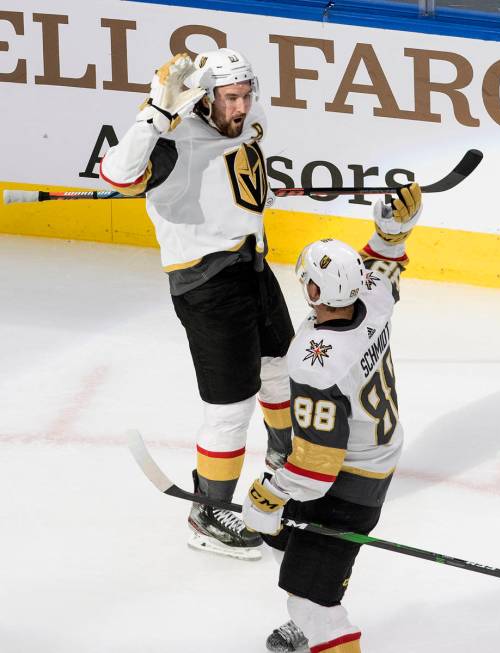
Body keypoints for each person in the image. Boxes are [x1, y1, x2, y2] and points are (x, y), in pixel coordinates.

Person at [100, 48, 294, 560]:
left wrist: (254, 196)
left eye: (248, 95)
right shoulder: (172, 141)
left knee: (282, 372)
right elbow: (118, 175)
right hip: (206, 286)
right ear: (204, 100)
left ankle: (284, 463)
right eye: (231, 98)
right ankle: (208, 512)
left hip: (252, 265)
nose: (243, 107)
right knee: (231, 409)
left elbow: (239, 171)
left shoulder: (245, 124)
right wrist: (155, 111)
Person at [242, 183, 422, 651]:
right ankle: (317, 597)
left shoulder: (316, 360)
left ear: (316, 289)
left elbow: (318, 464)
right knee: (285, 538)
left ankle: (316, 616)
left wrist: (272, 493)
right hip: (374, 450)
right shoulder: (375, 297)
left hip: (347, 482)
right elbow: (384, 263)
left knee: (308, 601)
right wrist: (391, 232)